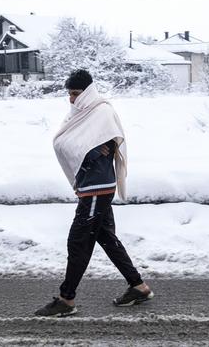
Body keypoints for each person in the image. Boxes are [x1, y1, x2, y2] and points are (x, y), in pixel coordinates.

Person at [35, 69, 153, 317]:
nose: (71, 99)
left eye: (75, 93)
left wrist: (91, 153)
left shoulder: (101, 111)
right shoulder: (81, 113)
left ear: (87, 92)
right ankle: (139, 287)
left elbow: (109, 140)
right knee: (106, 238)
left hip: (97, 189)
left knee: (78, 241)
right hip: (92, 187)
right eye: (69, 94)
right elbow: (73, 143)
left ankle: (66, 299)